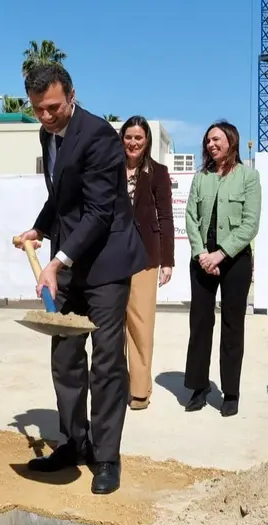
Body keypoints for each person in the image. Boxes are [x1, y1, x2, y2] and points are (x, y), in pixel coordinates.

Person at [13, 63, 146, 494]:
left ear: (71, 95)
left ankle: (107, 458)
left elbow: (99, 211)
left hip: (105, 264)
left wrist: (57, 262)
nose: (46, 116)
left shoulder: (100, 138)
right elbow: (61, 198)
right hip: (68, 263)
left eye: (53, 107)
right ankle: (74, 442)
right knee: (66, 356)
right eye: (37, 110)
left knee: (107, 362)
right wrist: (39, 229)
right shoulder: (46, 134)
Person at [182, 121, 261, 417]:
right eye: (207, 141)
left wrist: (221, 254)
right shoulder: (200, 178)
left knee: (232, 325)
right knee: (200, 324)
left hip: (235, 260)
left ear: (231, 141)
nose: (211, 145)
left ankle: (231, 392)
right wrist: (202, 253)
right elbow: (191, 217)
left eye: (216, 139)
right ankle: (199, 387)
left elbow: (250, 223)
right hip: (202, 259)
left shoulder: (248, 177)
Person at [119, 115, 175, 411]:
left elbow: (165, 217)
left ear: (147, 142)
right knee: (112, 326)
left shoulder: (158, 172)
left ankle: (139, 391)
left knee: (140, 324)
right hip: (112, 256)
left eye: (139, 138)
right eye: (129, 137)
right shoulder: (110, 170)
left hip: (145, 257)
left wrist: (167, 261)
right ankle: (115, 388)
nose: (133, 143)